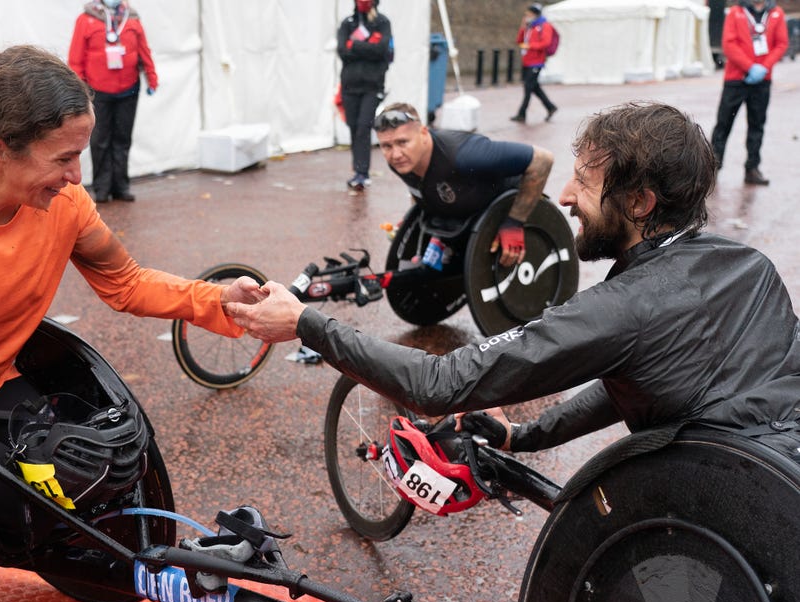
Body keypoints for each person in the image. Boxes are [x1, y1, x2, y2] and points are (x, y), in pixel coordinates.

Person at [0, 45, 263, 602]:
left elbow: (126, 283)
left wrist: (221, 304)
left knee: (100, 463)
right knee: (29, 508)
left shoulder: (65, 205)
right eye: (63, 158)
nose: (76, 176)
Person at [228, 101, 800, 456]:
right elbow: (638, 377)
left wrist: (306, 322)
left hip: (717, 504)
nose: (568, 197)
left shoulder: (626, 306)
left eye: (584, 185)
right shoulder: (748, 266)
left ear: (641, 202)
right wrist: (525, 435)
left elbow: (438, 385)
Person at [373, 102, 554, 268]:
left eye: (403, 142)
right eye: (387, 146)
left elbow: (542, 160)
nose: (395, 154)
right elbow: (419, 187)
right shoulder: (402, 162)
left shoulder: (466, 155)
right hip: (462, 208)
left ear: (423, 133)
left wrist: (514, 222)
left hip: (507, 209)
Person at [69, 0, 158, 203]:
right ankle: (102, 187)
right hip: (97, 91)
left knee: (122, 140)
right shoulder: (86, 19)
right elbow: (76, 57)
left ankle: (121, 186)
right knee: (100, 140)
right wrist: (78, 87)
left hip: (128, 90)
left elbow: (144, 51)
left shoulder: (132, 18)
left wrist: (152, 78)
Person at [710, 0, 788, 186]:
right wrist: (749, 66)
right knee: (723, 123)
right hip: (736, 79)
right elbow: (729, 44)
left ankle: (752, 168)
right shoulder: (735, 12)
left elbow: (781, 44)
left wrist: (764, 67)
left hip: (762, 80)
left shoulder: (776, 13)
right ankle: (712, 167)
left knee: (757, 125)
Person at [337, 0, 392, 191]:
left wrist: (356, 46)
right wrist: (368, 45)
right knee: (353, 126)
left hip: (372, 86)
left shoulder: (382, 23)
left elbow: (382, 50)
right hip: (350, 87)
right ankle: (358, 170)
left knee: (363, 126)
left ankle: (363, 172)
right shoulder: (348, 23)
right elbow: (342, 50)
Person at [511, 3, 557, 124]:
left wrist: (530, 46)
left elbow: (546, 43)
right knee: (534, 87)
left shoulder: (545, 26)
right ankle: (550, 107)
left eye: (529, 14)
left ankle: (522, 113)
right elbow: (519, 40)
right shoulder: (529, 27)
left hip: (536, 62)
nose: (527, 16)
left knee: (528, 87)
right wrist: (523, 26)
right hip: (526, 60)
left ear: (535, 14)